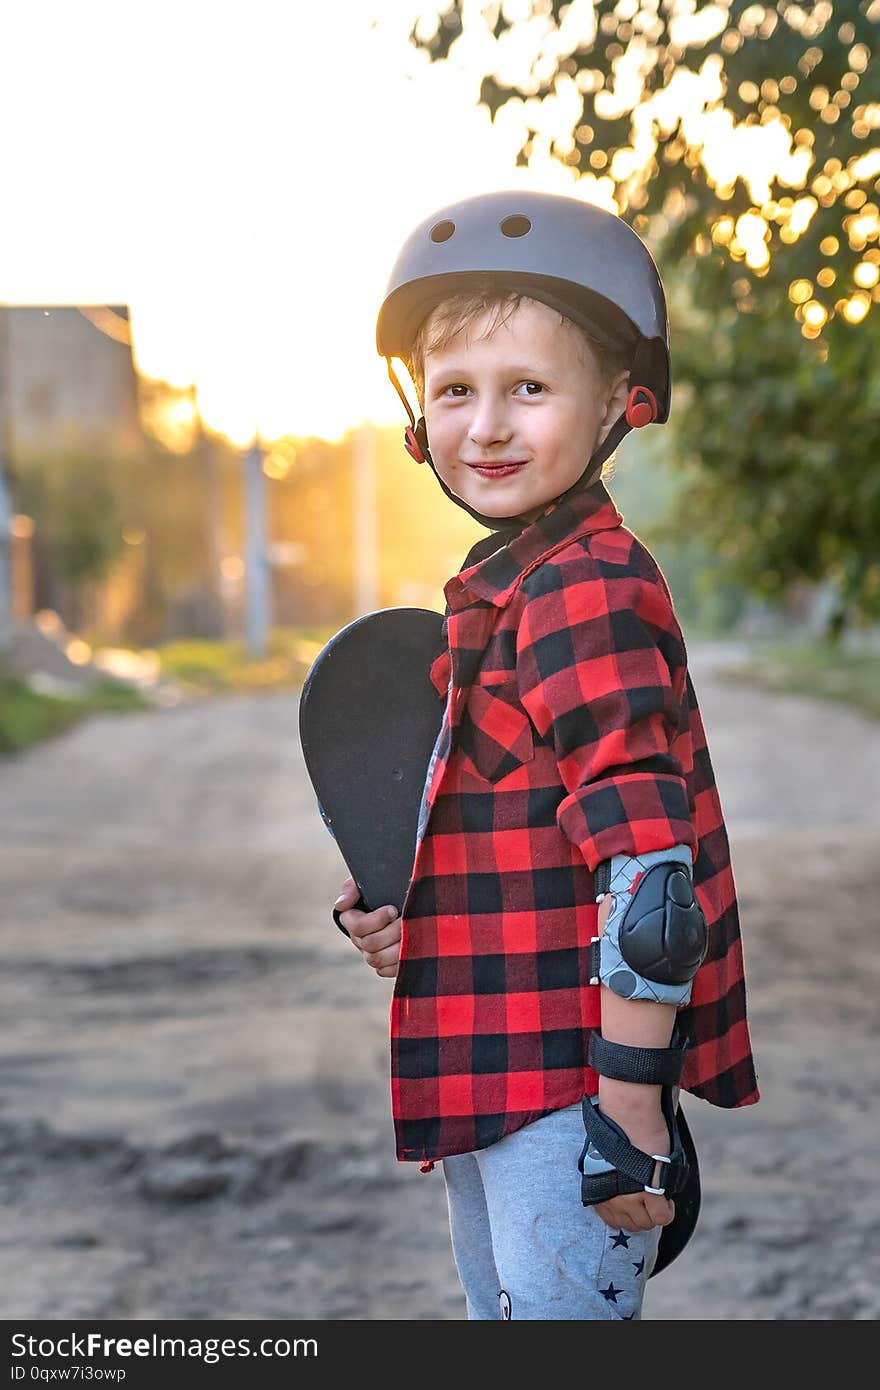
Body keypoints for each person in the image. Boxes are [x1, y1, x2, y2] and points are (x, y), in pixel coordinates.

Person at [331, 191, 759, 1320]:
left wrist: (625, 1108)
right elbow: (505, 813)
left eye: (528, 386)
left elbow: (647, 877)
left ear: (622, 402)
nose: (486, 425)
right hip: (496, 1062)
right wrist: (395, 903)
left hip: (566, 1083)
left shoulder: (580, 586)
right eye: (456, 389)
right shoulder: (510, 586)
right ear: (417, 414)